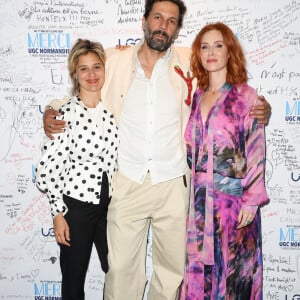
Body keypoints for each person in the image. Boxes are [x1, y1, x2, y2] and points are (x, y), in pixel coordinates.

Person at [42, 1, 271, 299]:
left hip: (174, 183)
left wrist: (260, 106)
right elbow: (83, 88)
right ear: (144, 21)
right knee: (121, 270)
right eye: (158, 17)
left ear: (177, 28)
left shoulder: (191, 58)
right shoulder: (113, 61)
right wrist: (51, 110)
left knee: (171, 274)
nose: (163, 25)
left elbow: (229, 85)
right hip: (127, 182)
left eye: (171, 21)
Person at [180, 22, 269, 300]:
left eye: (218, 45)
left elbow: (256, 149)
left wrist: (251, 201)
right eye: (204, 46)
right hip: (199, 205)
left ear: (230, 51)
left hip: (233, 206)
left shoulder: (246, 97)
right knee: (199, 279)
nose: (211, 52)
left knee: (234, 281)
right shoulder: (197, 96)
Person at [35, 39, 119, 300]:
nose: (92, 75)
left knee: (119, 273)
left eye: (97, 67)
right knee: (73, 281)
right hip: (76, 209)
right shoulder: (64, 114)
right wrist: (58, 214)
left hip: (112, 208)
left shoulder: (115, 110)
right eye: (84, 69)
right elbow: (47, 171)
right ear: (75, 73)